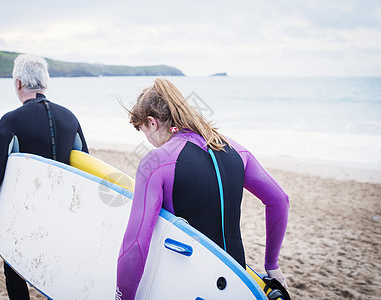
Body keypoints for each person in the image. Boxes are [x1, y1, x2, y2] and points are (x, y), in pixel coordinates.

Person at [116, 78, 289, 299]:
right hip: (237, 282)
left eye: (144, 132)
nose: (149, 141)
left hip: (187, 284)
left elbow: (135, 245)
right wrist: (271, 264)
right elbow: (279, 200)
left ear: (152, 122)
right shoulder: (234, 148)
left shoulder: (156, 162)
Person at [0, 54, 88, 300]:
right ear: (45, 83)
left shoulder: (11, 120)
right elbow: (85, 166)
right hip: (61, 210)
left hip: (24, 210)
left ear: (18, 83)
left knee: (14, 267)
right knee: (58, 271)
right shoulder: (70, 117)